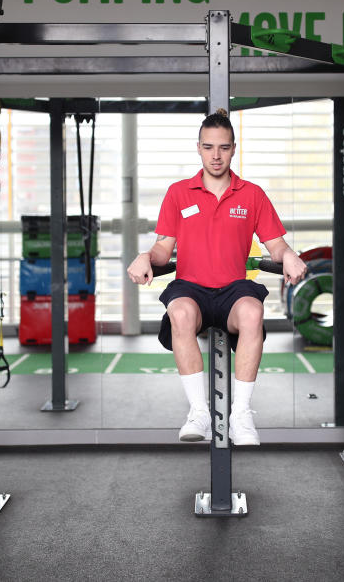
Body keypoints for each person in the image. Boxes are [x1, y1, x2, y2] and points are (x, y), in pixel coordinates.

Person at [126, 109, 308, 445]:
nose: (216, 155)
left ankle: (241, 415)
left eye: (223, 148)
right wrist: (145, 256)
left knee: (253, 311)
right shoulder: (179, 193)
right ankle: (199, 412)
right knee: (178, 311)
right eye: (209, 147)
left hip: (233, 289)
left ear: (233, 149)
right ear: (198, 148)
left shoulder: (252, 194)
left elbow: (277, 245)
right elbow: (163, 249)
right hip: (191, 286)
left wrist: (291, 255)